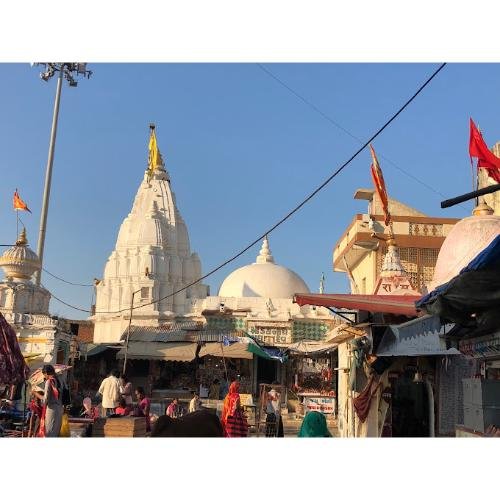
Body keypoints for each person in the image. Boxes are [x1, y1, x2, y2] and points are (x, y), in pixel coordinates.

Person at [31, 364, 63, 437]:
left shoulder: (49, 382)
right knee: (56, 432)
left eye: (44, 374)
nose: (44, 376)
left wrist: (35, 393)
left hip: (51, 410)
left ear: (46, 373)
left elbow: (45, 400)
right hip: (59, 409)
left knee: (49, 433)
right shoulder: (59, 380)